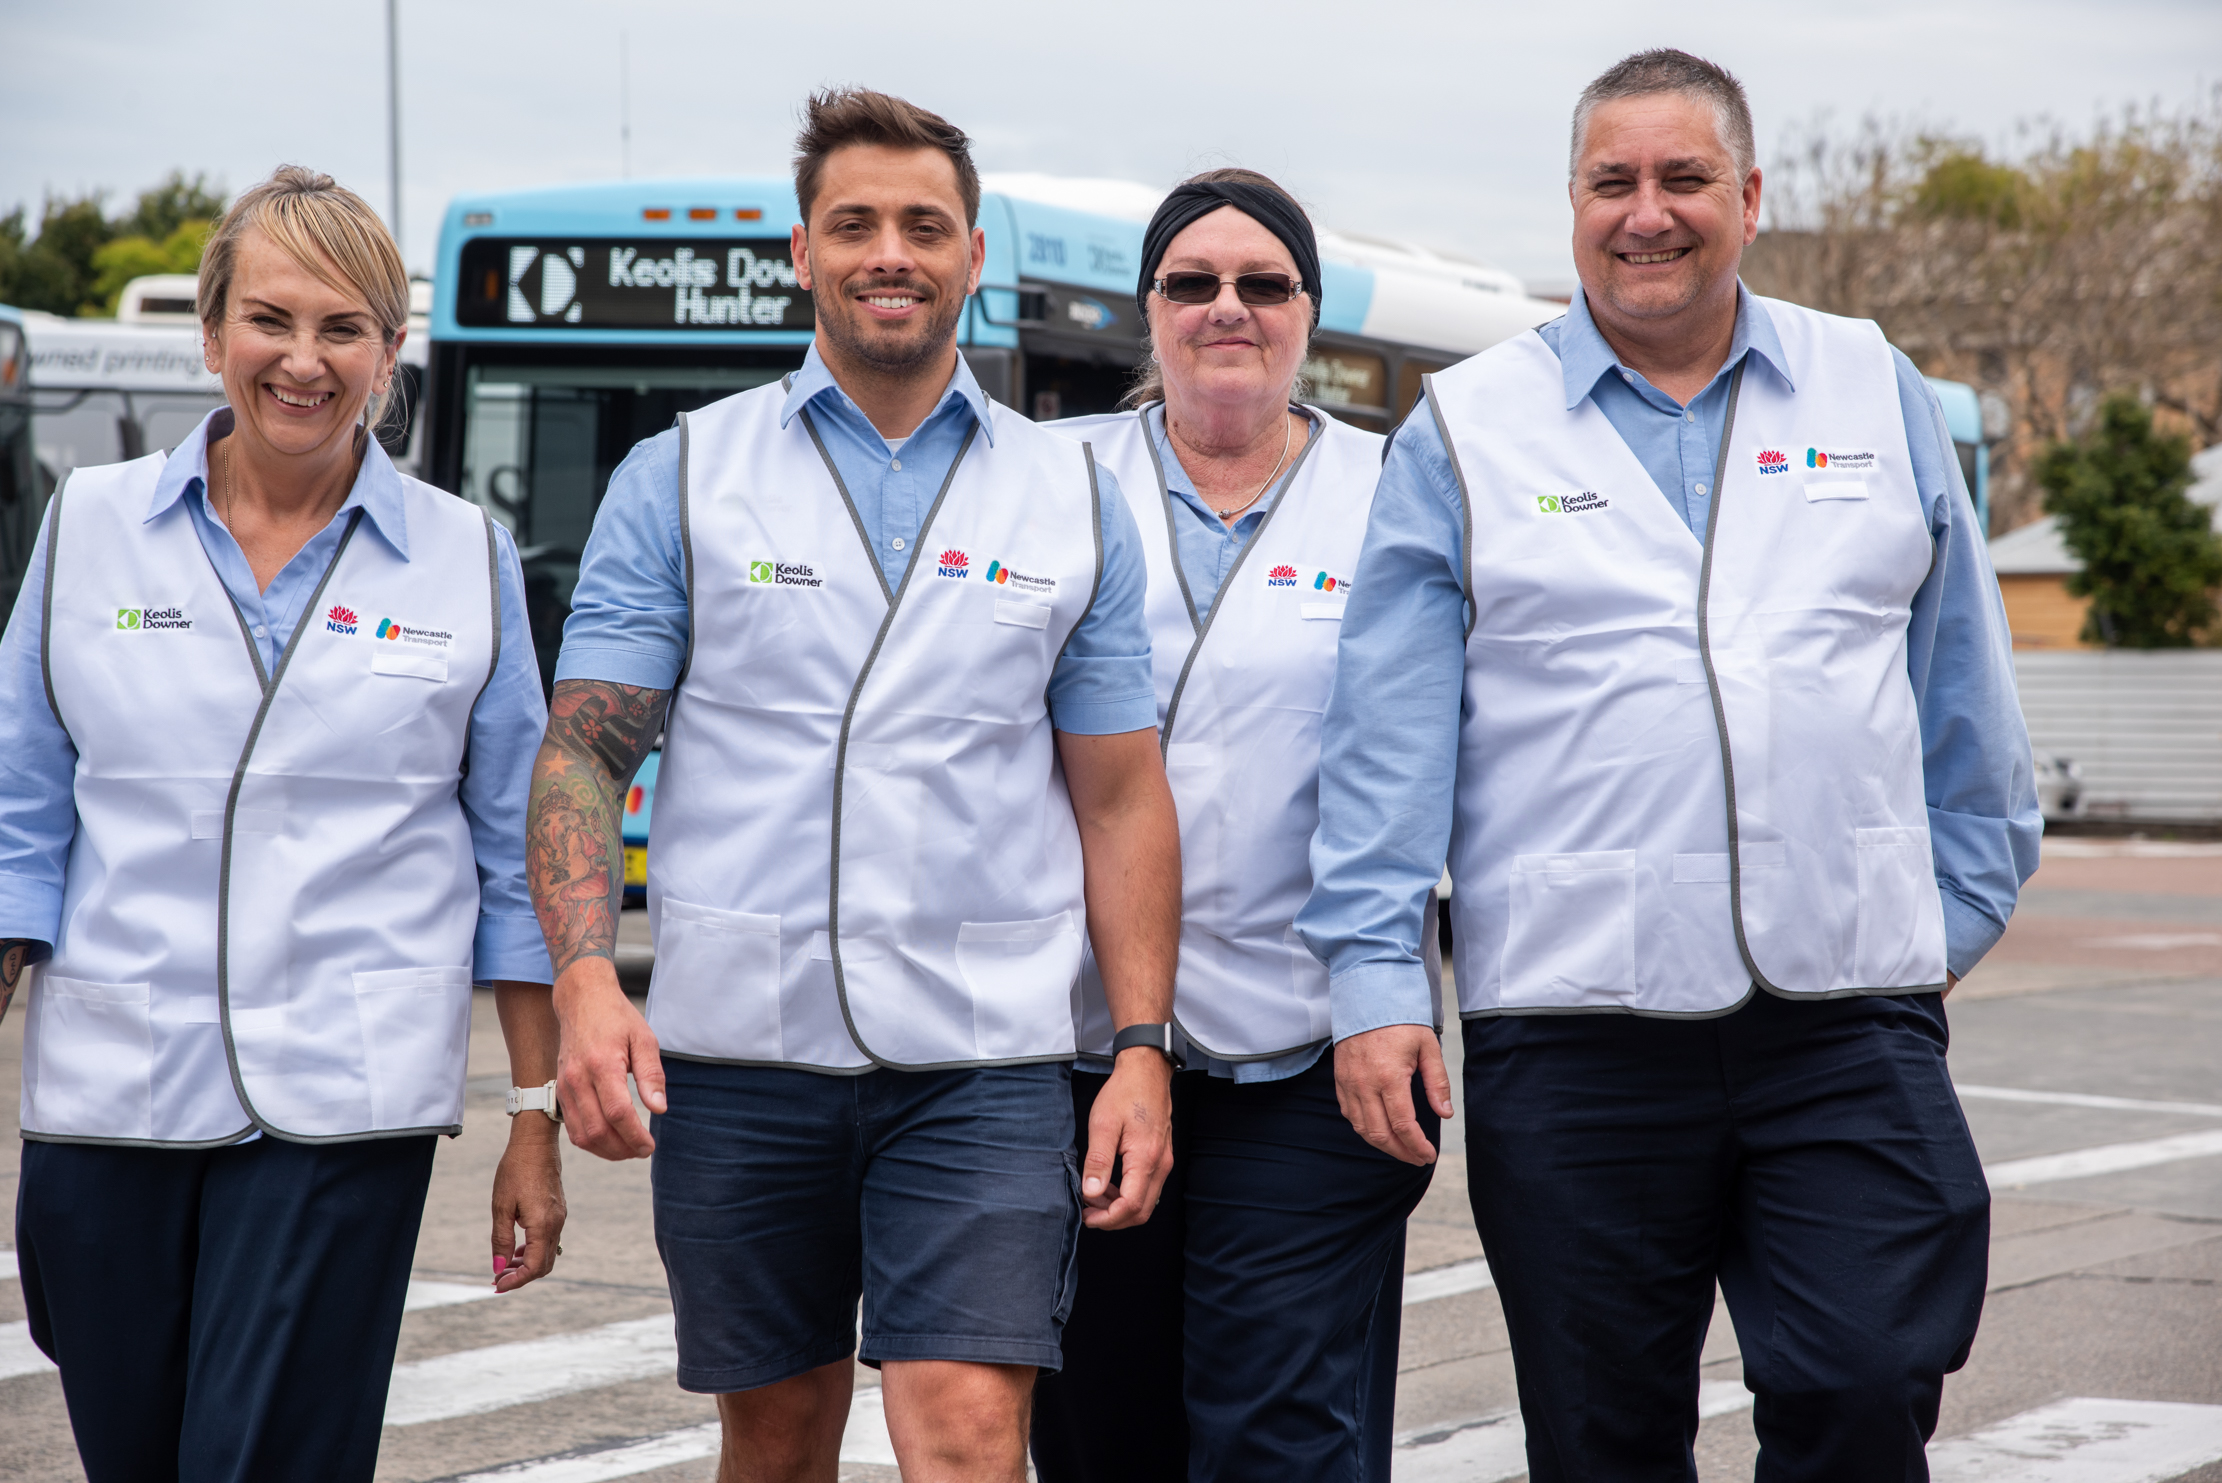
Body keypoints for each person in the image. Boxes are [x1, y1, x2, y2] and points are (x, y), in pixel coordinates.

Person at [1303, 49, 2041, 1482]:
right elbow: (1384, 740)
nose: (1647, 213)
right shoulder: (1468, 428)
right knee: (1602, 1437)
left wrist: (1928, 919)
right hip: (1573, 1035)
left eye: (1683, 179)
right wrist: (1375, 984)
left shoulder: (1868, 384)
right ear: (1571, 205)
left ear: (1749, 197)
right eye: (1611, 183)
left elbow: (1964, 695)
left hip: (1842, 1027)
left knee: (1862, 1381)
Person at [528, 89, 1180, 1483]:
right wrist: (589, 983)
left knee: (964, 1424)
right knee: (774, 1438)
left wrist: (1138, 1048)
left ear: (971, 257)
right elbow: (586, 749)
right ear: (800, 253)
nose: (891, 250)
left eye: (923, 225)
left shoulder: (1066, 498)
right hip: (739, 1056)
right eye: (855, 223)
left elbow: (1120, 798)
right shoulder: (684, 476)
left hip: (982, 1063)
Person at [0, 165, 563, 1481]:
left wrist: (530, 1115)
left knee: (260, 1461)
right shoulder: (90, 531)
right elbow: (20, 801)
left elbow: (513, 856)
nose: (302, 361)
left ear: (388, 352)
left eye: (343, 328)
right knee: (136, 1452)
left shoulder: (462, 559)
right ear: (212, 334)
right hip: (110, 1098)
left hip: (341, 1104)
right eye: (271, 320)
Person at [1030, 170, 1436, 1483]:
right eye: (1190, 283)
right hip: (1075, 1049)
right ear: (1143, 309)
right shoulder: (1045, 479)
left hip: (1315, 1048)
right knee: (1104, 1423)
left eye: (1262, 284)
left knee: (1278, 1431)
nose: (1226, 309)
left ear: (1306, 312)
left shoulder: (1401, 492)